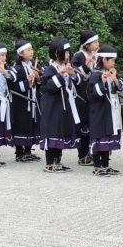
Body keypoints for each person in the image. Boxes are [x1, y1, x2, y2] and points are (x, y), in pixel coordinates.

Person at [39, 39, 79, 173]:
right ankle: (50, 162)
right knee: (52, 131)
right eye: (65, 52)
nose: (68, 55)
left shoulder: (66, 66)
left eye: (69, 52)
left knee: (61, 131)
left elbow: (77, 82)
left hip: (63, 105)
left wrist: (72, 74)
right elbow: (48, 87)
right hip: (52, 106)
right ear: (57, 53)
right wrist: (60, 75)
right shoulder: (49, 69)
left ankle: (58, 160)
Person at [88, 45, 123, 176]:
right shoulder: (96, 75)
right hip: (99, 112)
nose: (114, 63)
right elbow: (94, 93)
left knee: (108, 136)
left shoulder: (113, 72)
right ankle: (97, 166)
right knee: (100, 136)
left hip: (112, 111)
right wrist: (102, 82)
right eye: (112, 60)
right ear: (104, 60)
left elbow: (121, 88)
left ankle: (106, 164)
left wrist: (114, 79)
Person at [9, 39, 41, 163]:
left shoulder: (33, 66)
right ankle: (19, 152)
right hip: (20, 104)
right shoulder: (16, 69)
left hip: (32, 101)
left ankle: (28, 151)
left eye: (31, 49)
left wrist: (38, 78)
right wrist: (27, 82)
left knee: (31, 124)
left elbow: (41, 82)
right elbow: (13, 86)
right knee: (21, 125)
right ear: (21, 54)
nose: (31, 52)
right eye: (28, 50)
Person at [70, 30, 99, 166]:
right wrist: (86, 66)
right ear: (86, 45)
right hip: (82, 95)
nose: (97, 44)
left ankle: (92, 152)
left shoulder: (96, 55)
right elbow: (74, 73)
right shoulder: (78, 56)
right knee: (83, 124)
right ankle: (82, 155)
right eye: (94, 42)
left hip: (93, 94)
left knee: (93, 124)